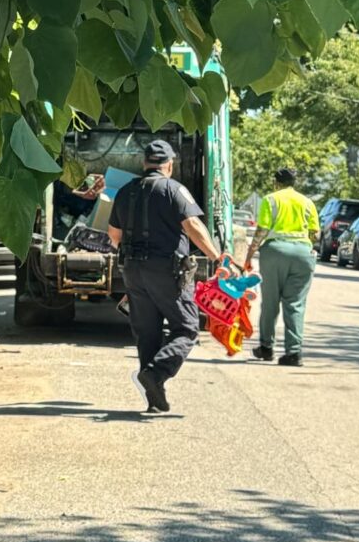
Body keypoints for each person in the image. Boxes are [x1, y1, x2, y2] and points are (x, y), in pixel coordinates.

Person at [107, 140, 226, 413]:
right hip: (166, 270)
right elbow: (193, 224)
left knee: (147, 333)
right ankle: (157, 373)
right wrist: (215, 257)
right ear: (169, 165)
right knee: (185, 328)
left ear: (145, 164)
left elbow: (114, 236)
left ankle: (154, 399)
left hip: (133, 270)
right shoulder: (173, 189)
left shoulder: (125, 192)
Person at [244, 168, 320, 367]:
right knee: (295, 304)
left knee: (270, 302)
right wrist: (307, 247)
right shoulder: (307, 202)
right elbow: (315, 234)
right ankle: (294, 353)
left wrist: (250, 255)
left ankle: (266, 347)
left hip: (275, 253)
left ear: (276, 183)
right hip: (303, 254)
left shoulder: (270, 200)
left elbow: (262, 230)